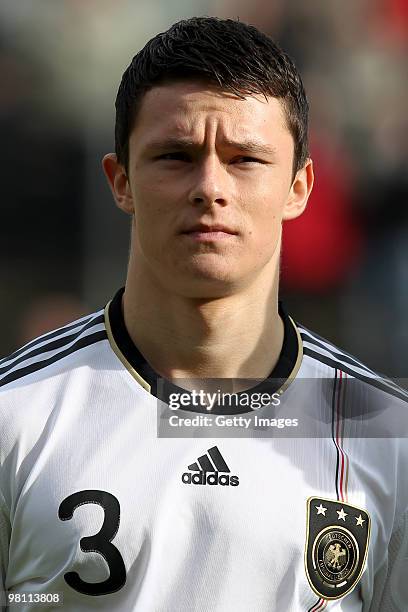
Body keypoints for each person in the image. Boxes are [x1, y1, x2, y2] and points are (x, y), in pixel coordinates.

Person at [0, 16, 407, 612]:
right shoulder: (16, 415)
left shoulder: (387, 436)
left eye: (245, 159)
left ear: (299, 187)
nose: (210, 186)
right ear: (121, 181)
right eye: (175, 155)